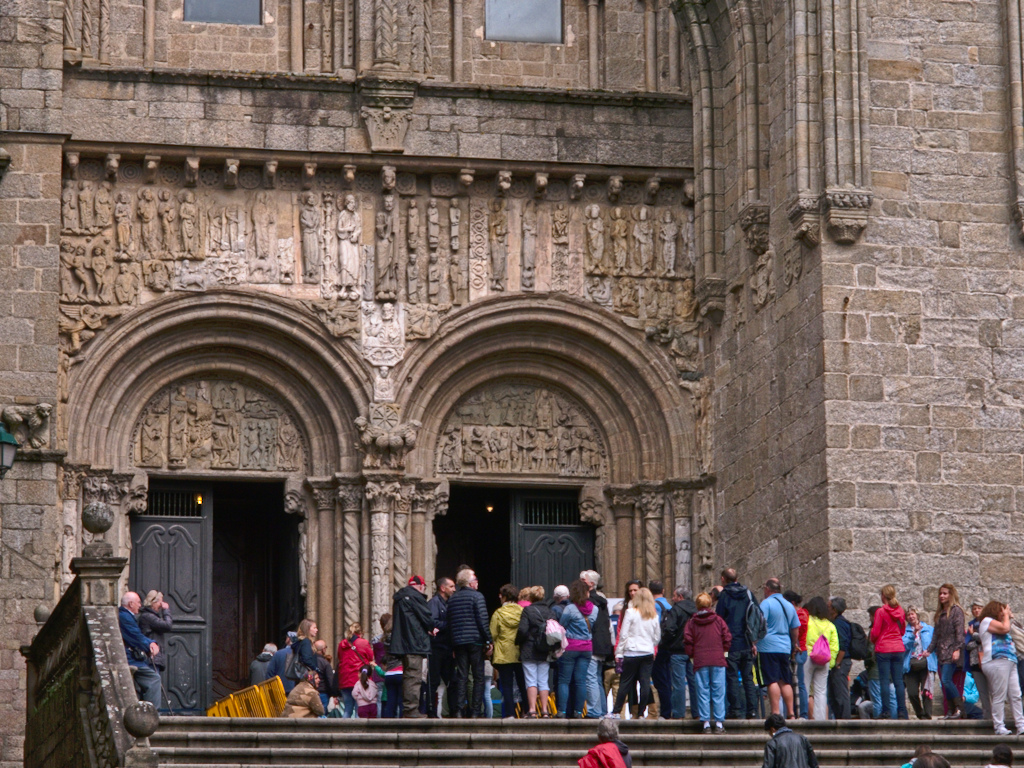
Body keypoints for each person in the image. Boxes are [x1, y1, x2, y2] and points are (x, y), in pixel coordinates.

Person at [447, 568, 493, 718]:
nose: (477, 582)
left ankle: (459, 710)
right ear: (470, 582)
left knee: (462, 676)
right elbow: (482, 620)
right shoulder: (477, 596)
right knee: (478, 676)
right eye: (475, 579)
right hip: (475, 641)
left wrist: (453, 643)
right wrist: (488, 640)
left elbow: (450, 622)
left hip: (459, 642)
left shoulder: (452, 599)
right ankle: (475, 711)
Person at [684, 591, 731, 734]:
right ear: (710, 605)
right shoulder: (718, 620)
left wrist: (692, 655)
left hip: (700, 659)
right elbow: (727, 637)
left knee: (702, 691)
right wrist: (724, 652)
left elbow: (688, 640)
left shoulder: (692, 622)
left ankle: (705, 723)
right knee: (718, 691)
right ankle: (719, 723)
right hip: (717, 659)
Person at [390, 574, 436, 718]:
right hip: (414, 643)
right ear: (420, 586)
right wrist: (432, 627)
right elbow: (426, 617)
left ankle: (408, 709)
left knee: (408, 676)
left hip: (403, 644)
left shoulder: (400, 598)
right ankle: (411, 710)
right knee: (413, 677)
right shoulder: (415, 597)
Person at [715, 568, 758, 719]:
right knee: (748, 678)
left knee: (732, 676)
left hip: (730, 645)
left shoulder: (724, 596)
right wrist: (754, 641)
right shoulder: (748, 593)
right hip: (746, 642)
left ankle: (735, 710)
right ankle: (752, 710)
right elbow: (756, 615)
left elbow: (719, 620)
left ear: (723, 579)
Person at [611, 586, 661, 718]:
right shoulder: (653, 615)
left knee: (625, 683)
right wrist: (651, 646)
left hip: (632, 652)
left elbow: (623, 634)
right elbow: (657, 637)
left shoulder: (630, 612)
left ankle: (616, 711)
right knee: (645, 683)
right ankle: (641, 713)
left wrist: (619, 652)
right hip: (647, 652)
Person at [979, 600, 1024, 735]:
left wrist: (1009, 616)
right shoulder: (987, 621)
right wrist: (1006, 615)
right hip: (996, 661)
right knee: (1000, 695)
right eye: (1003, 610)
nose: (1006, 613)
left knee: (1016, 695)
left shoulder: (1004, 623)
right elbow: (1005, 629)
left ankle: (1021, 725)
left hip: (1010, 660)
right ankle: (999, 726)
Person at [759, 578, 799, 716]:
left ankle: (776, 712)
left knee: (772, 680)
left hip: (768, 647)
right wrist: (794, 644)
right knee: (785, 681)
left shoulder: (766, 603)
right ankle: (791, 713)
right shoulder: (789, 605)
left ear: (768, 589)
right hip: (785, 647)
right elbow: (795, 628)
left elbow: (760, 623)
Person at [558, 578, 595, 718]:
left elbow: (562, 625)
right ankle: (579, 712)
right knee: (581, 681)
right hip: (587, 648)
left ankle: (562, 711)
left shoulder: (569, 609)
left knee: (564, 680)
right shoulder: (595, 610)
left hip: (571, 647)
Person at [927, 583, 966, 719]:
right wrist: (929, 650)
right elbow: (936, 635)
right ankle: (950, 710)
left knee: (946, 679)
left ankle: (960, 708)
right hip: (941, 653)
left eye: (945, 593)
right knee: (944, 682)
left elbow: (959, 632)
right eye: (940, 593)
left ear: (950, 595)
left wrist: (957, 649)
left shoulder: (956, 611)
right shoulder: (940, 613)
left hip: (952, 651)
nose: (942, 596)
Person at [119, 591, 162, 708]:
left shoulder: (126, 615)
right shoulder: (125, 617)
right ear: (131, 604)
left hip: (134, 658)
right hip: (130, 659)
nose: (140, 605)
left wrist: (150, 643)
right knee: (153, 679)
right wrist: (150, 644)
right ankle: (152, 712)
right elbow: (136, 636)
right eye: (138, 602)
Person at [870, 584, 908, 719]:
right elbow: (902, 630)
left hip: (884, 649)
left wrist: (873, 640)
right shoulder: (901, 611)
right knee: (898, 681)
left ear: (883, 596)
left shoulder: (880, 612)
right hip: (898, 648)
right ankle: (902, 711)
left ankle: (886, 711)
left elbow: (875, 632)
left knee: (884, 681)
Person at [516, 585, 554, 717]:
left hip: (529, 649)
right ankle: (544, 710)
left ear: (531, 597)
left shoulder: (528, 610)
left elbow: (522, 630)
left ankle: (532, 710)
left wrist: (518, 641)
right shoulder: (550, 611)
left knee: (531, 680)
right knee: (543, 680)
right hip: (545, 649)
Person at [661, 585, 697, 720]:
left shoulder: (676, 610)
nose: (672, 598)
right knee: (694, 682)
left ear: (680, 597)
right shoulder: (696, 609)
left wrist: (666, 642)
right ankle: (697, 712)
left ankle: (678, 713)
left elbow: (670, 629)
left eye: (674, 596)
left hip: (677, 650)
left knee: (678, 683)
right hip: (693, 651)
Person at [490, 583, 526, 718]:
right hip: (520, 653)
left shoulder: (498, 613)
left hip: (504, 654)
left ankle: (510, 713)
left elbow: (493, 634)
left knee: (507, 685)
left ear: (504, 597)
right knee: (523, 684)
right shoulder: (522, 612)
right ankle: (527, 711)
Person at [582, 570, 612, 718]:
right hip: (602, 643)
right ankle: (602, 710)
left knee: (591, 678)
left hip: (593, 643)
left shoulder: (590, 602)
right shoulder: (602, 602)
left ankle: (594, 711)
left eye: (583, 580)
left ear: (591, 584)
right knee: (597, 678)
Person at [803, 596, 838, 721]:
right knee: (821, 691)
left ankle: (804, 715)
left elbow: (802, 638)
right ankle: (821, 718)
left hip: (808, 657)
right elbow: (835, 647)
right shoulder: (830, 625)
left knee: (805, 687)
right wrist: (831, 663)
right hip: (824, 660)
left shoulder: (808, 621)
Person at [902, 607, 936, 720]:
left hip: (926, 664)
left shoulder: (928, 629)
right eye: (908, 615)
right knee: (912, 693)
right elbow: (904, 645)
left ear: (917, 615)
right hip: (910, 665)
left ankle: (927, 715)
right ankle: (920, 713)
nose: (911, 616)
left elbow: (934, 644)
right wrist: (914, 633)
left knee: (926, 691)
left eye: (912, 614)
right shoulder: (904, 631)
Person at [427, 576, 455, 717]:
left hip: (448, 647)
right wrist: (449, 625)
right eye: (451, 586)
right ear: (442, 588)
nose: (454, 589)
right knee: (434, 680)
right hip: (437, 647)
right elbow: (433, 622)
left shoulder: (450, 603)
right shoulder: (434, 603)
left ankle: (453, 711)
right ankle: (431, 710)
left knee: (453, 681)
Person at [337, 622, 374, 717]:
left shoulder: (342, 644)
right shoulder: (363, 642)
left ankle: (343, 726)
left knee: (347, 708)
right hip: (359, 679)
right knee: (359, 708)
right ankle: (358, 727)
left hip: (345, 680)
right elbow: (370, 657)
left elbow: (340, 658)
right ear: (360, 633)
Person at [648, 580, 673, 718]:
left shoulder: (653, 606)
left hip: (657, 647)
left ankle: (665, 712)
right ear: (663, 591)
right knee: (668, 679)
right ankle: (669, 710)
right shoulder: (669, 605)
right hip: (669, 646)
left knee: (660, 681)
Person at [784, 590, 810, 719]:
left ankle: (802, 713)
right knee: (797, 683)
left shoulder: (799, 614)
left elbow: (797, 631)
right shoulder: (803, 613)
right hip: (800, 650)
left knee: (799, 684)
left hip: (799, 650)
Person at [967, 598, 993, 720]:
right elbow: (967, 645)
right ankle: (987, 715)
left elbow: (987, 639)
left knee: (993, 690)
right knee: (982, 691)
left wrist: (974, 635)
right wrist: (977, 641)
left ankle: (996, 715)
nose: (976, 610)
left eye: (979, 608)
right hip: (975, 662)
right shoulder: (971, 625)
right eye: (974, 609)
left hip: (989, 659)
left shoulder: (989, 623)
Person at [827, 596, 852, 719]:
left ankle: (845, 720)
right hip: (840, 662)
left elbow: (843, 645)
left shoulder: (839, 623)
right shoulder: (837, 622)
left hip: (841, 662)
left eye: (829, 606)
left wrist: (837, 662)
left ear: (834, 609)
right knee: (835, 694)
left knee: (840, 694)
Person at [136, 590, 172, 676]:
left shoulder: (149, 615)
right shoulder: (148, 616)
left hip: (152, 657)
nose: (161, 605)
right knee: (154, 681)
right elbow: (167, 625)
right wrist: (166, 610)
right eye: (160, 602)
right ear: (153, 602)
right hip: (151, 657)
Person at [374, 613, 403, 718]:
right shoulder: (399, 638)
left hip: (389, 673)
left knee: (390, 703)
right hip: (400, 671)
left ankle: (388, 724)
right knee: (401, 702)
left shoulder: (384, 639)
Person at [313, 639, 337, 712]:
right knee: (323, 714)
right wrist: (334, 694)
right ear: (323, 649)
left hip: (311, 691)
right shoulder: (325, 663)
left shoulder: (308, 660)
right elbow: (330, 680)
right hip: (323, 692)